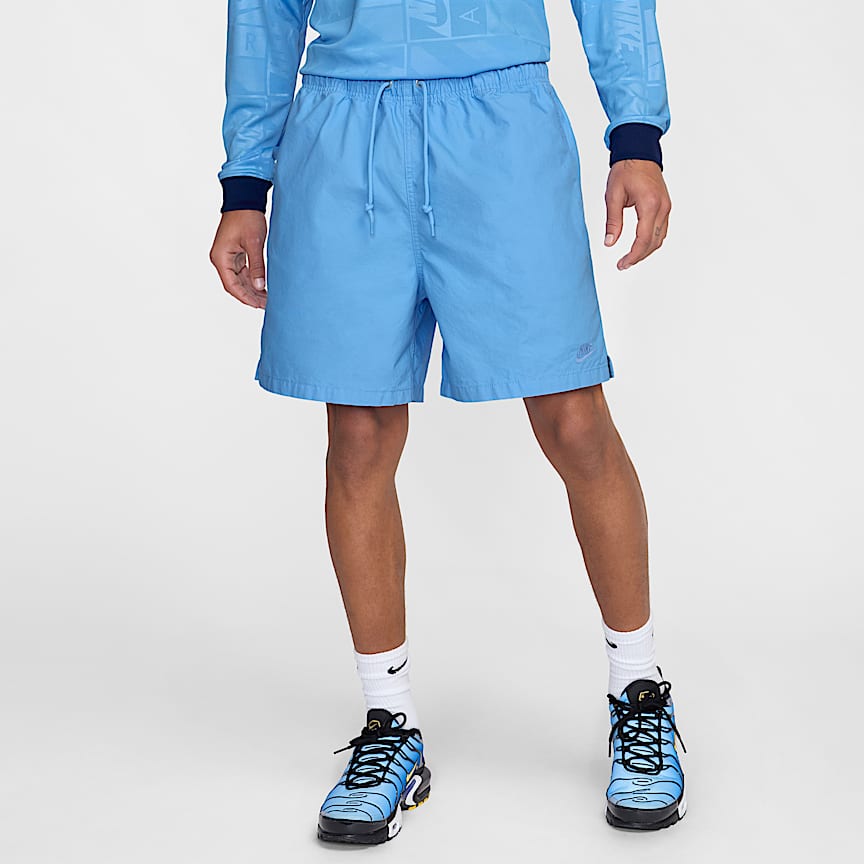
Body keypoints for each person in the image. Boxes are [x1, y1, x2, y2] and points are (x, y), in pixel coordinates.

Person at [209, 0, 686, 843]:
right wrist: (246, 183)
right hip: (344, 133)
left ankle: (639, 689)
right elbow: (265, 11)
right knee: (358, 435)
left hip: (500, 124)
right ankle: (389, 720)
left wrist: (636, 135)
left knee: (574, 420)